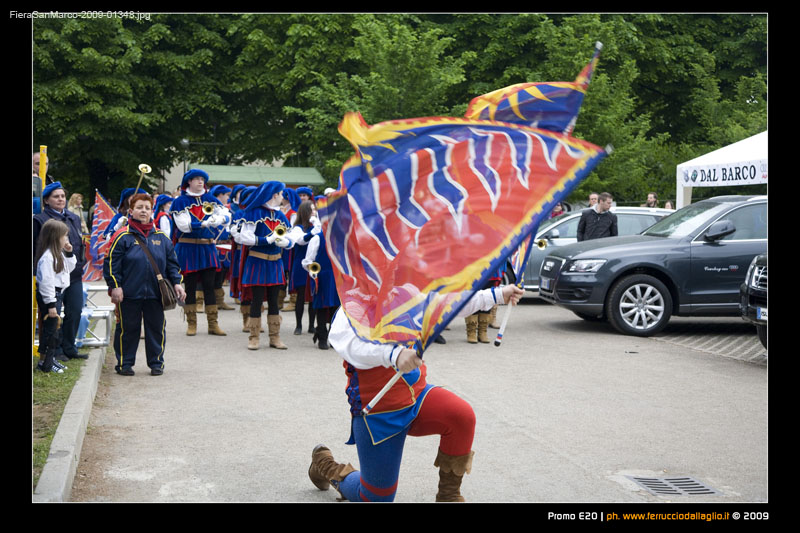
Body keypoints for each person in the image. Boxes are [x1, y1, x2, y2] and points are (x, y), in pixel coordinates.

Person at [308, 283, 525, 502]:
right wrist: (393, 355)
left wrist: (497, 294)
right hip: (378, 413)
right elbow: (349, 346)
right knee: (375, 497)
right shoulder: (351, 306)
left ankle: (448, 496)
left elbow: (447, 304)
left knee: (461, 415)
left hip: (417, 398)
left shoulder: (408, 290)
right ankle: (327, 466)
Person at [104, 193, 186, 376]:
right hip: (129, 293)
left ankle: (156, 363)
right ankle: (125, 364)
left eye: (147, 208)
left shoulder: (162, 238)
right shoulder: (122, 236)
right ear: (131, 211)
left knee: (156, 329)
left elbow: (173, 264)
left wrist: (177, 283)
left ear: (152, 211)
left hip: (155, 294)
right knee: (128, 329)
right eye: (140, 207)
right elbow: (111, 264)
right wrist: (116, 286)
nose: (143, 211)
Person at [170, 169, 231, 336]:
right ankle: (192, 324)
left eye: (202, 179)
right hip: (188, 247)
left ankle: (213, 324)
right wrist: (205, 224)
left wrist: (220, 219)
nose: (200, 182)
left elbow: (226, 215)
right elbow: (183, 225)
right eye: (196, 179)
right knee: (189, 286)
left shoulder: (210, 199)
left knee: (209, 286)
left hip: (207, 247)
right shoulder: (180, 202)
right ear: (188, 182)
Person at [33, 182, 88, 361]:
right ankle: (54, 352)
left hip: (73, 273)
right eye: (56, 196)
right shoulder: (40, 220)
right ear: (47, 200)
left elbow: (78, 242)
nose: (61, 199)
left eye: (63, 196)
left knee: (75, 310)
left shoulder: (73, 217)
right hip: (53, 275)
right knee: (52, 314)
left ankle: (69, 346)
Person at [236, 181, 294, 350]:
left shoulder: (281, 215)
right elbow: (244, 237)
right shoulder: (254, 213)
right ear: (274, 195)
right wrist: (266, 240)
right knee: (257, 300)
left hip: (275, 262)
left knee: (275, 301)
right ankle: (253, 338)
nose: (283, 197)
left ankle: (275, 338)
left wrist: (285, 242)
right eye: (281, 194)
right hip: (258, 261)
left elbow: (290, 239)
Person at [34, 219, 77, 373]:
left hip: (57, 295)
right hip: (51, 297)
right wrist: (51, 304)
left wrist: (69, 252)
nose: (66, 239)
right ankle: (45, 363)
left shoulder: (58, 254)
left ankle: (50, 360)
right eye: (64, 236)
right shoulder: (47, 257)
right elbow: (46, 282)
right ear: (55, 237)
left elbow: (68, 269)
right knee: (50, 331)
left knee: (54, 330)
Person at [298, 199, 339, 350]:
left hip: (337, 278)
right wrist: (313, 272)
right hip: (322, 276)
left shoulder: (341, 239)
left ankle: (334, 338)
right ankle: (322, 335)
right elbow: (307, 261)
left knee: (337, 309)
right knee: (321, 307)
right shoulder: (317, 238)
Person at [209, 185, 235, 311]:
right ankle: (207, 301)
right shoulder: (213, 210)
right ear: (219, 196)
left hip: (226, 245)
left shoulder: (226, 211)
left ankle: (220, 301)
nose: (228, 198)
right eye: (226, 195)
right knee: (212, 274)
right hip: (215, 245)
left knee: (222, 274)